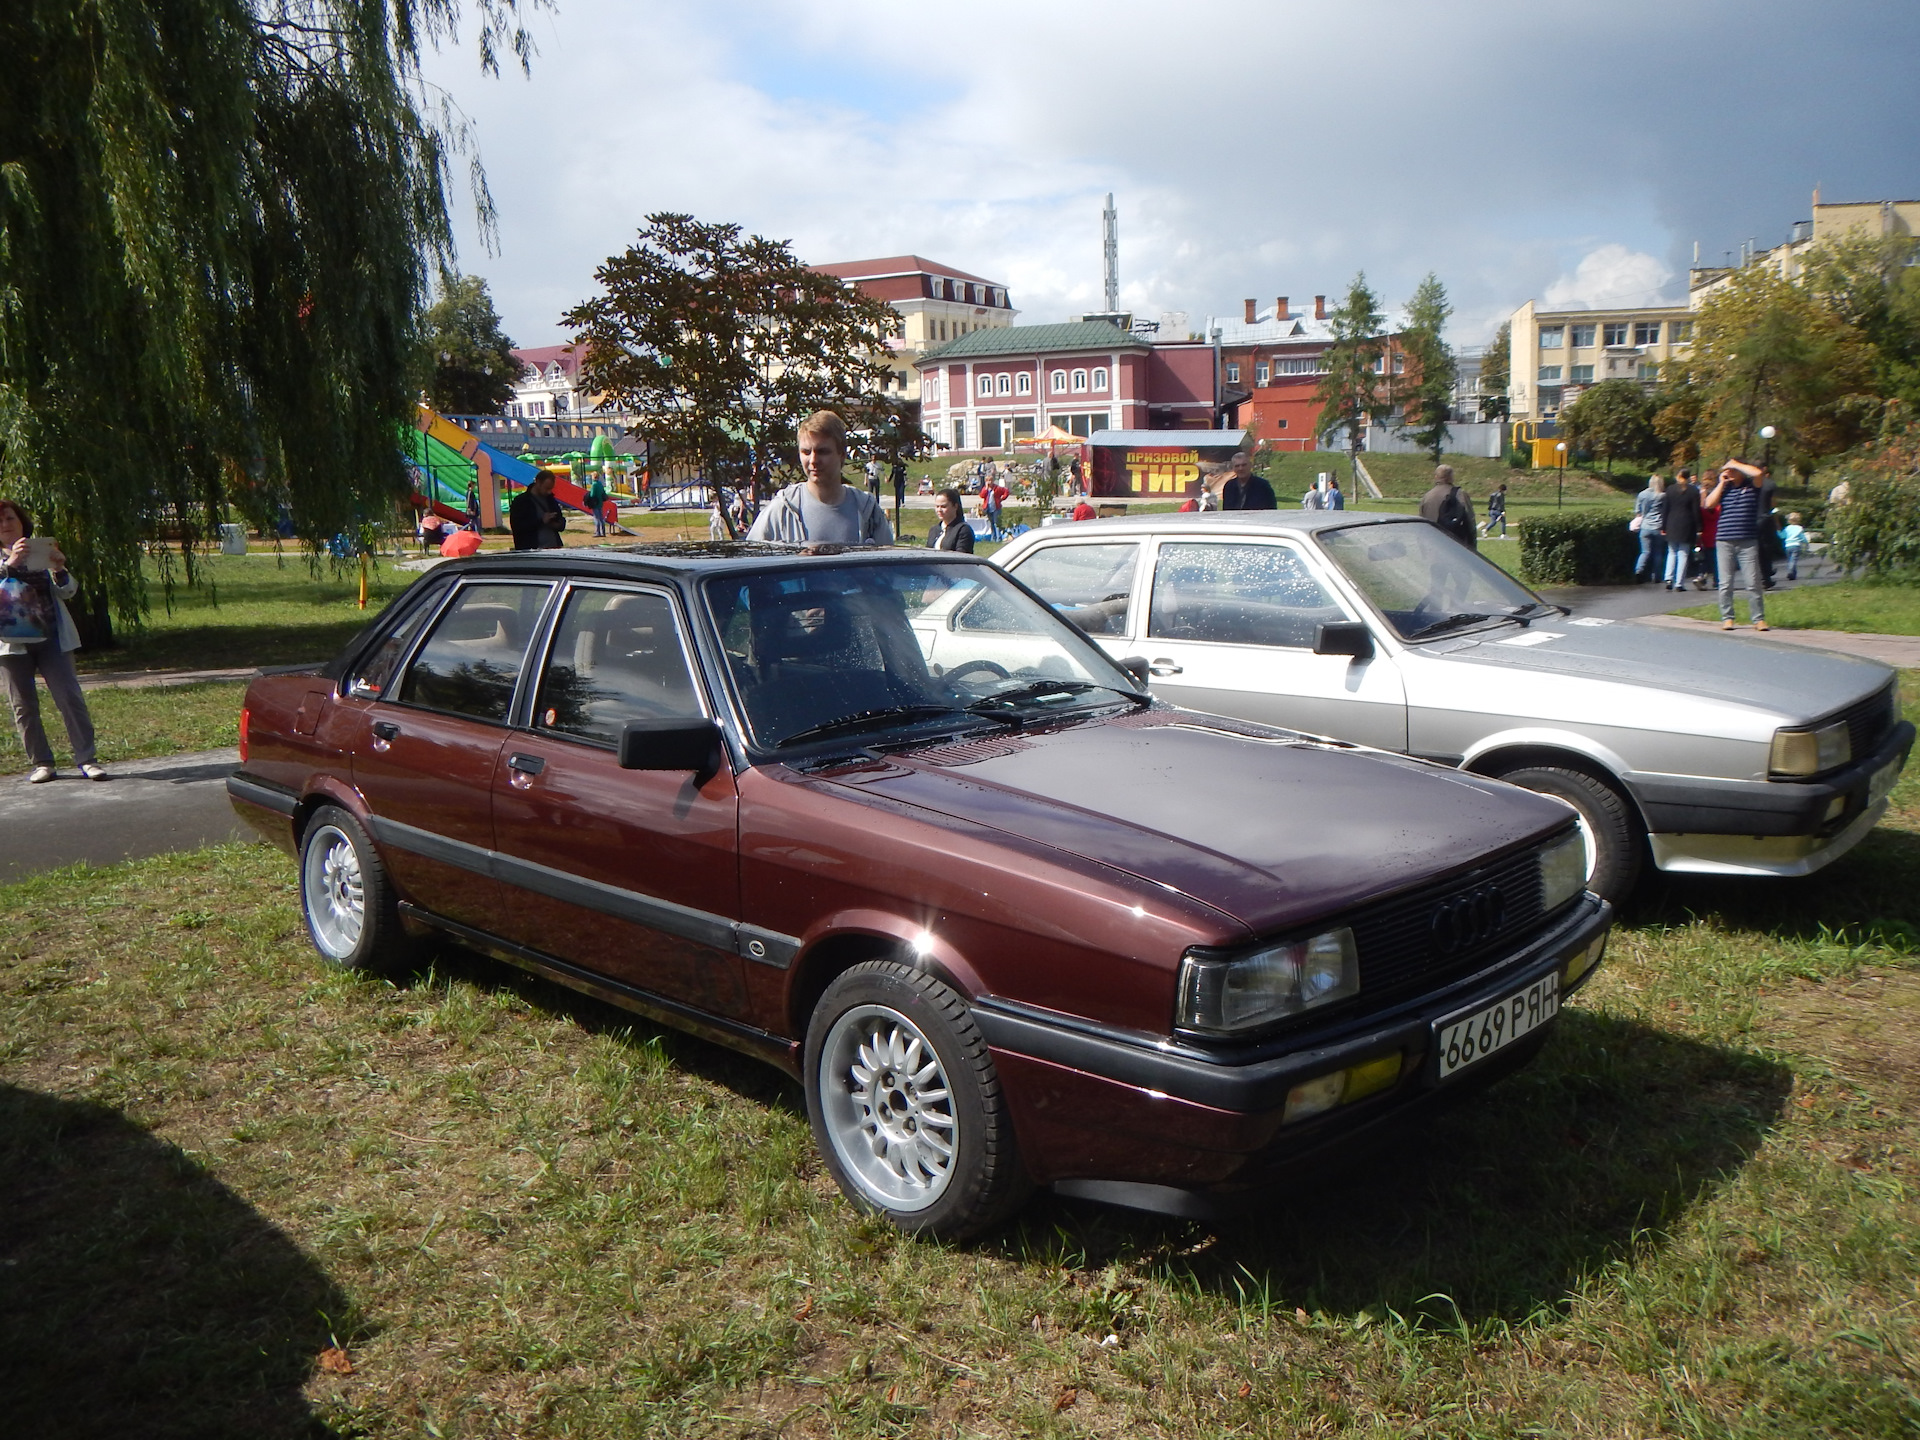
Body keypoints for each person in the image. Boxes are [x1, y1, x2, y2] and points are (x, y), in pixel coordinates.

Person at [0, 500, 105, 783]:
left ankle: (87, 759)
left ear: (22, 522)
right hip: (10, 642)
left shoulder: (40, 550)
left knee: (69, 697)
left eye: (10, 518)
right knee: (23, 705)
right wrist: (8, 564)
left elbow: (68, 592)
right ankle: (42, 763)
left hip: (52, 636)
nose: (6, 525)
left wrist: (59, 569)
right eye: (0, 522)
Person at [747, 411, 896, 545]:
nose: (813, 460)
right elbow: (751, 561)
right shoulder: (783, 508)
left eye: (822, 451)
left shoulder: (867, 511)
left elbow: (889, 569)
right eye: (806, 452)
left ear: (842, 454)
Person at [1702, 459, 1767, 630]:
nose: (1729, 472)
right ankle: (1727, 617)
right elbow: (1708, 504)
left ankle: (1758, 619)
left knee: (1753, 582)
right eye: (1727, 470)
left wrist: (1736, 464)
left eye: (1732, 470)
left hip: (1748, 541)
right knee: (1725, 583)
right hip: (1724, 540)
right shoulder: (1724, 489)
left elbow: (1758, 473)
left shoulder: (1752, 486)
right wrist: (1721, 483)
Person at [1418, 464, 1477, 549]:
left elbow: (1421, 523)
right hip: (1455, 545)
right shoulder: (1460, 494)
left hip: (1432, 544)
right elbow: (1470, 521)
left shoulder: (1427, 496)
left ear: (1436, 477)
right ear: (1451, 477)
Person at [1662, 468, 1701, 590]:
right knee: (1683, 553)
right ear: (1689, 477)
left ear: (1678, 475)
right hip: (1687, 524)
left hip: (1671, 523)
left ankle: (1668, 578)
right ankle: (1679, 583)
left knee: (1671, 552)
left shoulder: (1670, 489)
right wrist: (1699, 527)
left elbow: (1665, 509)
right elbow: (1696, 511)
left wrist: (1663, 526)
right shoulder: (1693, 490)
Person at [509, 469, 566, 550]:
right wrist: (541, 521)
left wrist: (558, 524)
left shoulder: (550, 500)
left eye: (551, 489)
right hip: (531, 550)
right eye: (546, 488)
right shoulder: (521, 502)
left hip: (553, 548)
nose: (549, 492)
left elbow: (561, 519)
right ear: (538, 482)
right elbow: (518, 527)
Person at [1633, 474, 1667, 582]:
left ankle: (1639, 570)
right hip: (1658, 526)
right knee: (1657, 552)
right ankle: (1657, 576)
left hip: (1645, 526)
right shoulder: (1662, 496)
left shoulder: (1642, 494)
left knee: (1645, 552)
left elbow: (1638, 512)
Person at [926, 487, 975, 551]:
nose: (939, 510)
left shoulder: (963, 530)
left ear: (955, 506)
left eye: (943, 506)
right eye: (937, 506)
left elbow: (962, 557)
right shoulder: (934, 530)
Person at [1781, 512, 1808, 581]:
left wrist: (1777, 532)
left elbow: (1782, 536)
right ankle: (1791, 572)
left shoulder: (1787, 528)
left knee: (1790, 560)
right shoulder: (1799, 528)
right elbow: (1802, 537)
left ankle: (1793, 574)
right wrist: (1806, 542)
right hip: (1796, 545)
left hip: (1787, 545)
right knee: (1794, 560)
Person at [587, 472, 609, 537]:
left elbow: (592, 494)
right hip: (600, 502)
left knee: (596, 518)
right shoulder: (600, 484)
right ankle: (603, 532)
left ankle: (598, 532)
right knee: (601, 518)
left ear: (593, 477)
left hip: (595, 503)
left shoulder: (594, 484)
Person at [890, 457, 908, 532]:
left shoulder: (902, 467)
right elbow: (892, 474)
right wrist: (889, 479)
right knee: (897, 493)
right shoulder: (894, 467)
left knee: (901, 492)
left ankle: (902, 502)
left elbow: (905, 474)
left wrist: (906, 480)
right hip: (896, 482)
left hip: (902, 482)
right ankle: (897, 503)